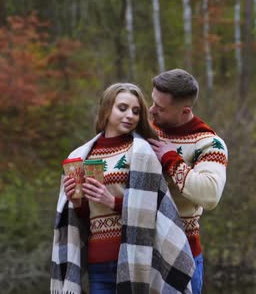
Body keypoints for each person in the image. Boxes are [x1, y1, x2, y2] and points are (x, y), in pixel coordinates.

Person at [51, 83, 196, 294]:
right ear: (107, 109)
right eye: (123, 108)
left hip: (136, 260)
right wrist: (75, 202)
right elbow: (85, 218)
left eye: (136, 111)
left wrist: (112, 202)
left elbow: (154, 209)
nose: (130, 115)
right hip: (98, 261)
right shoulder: (81, 155)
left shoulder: (142, 153)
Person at [147, 69, 229, 294]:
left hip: (183, 252)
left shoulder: (210, 144)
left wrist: (170, 159)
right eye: (152, 102)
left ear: (185, 111)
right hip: (139, 252)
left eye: (160, 108)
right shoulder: (145, 130)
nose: (151, 110)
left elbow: (210, 195)